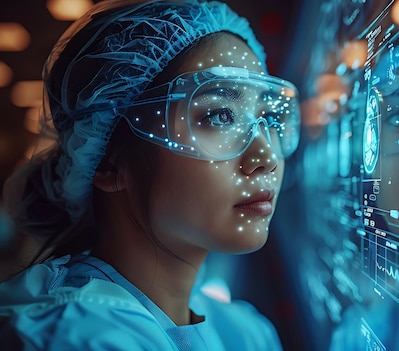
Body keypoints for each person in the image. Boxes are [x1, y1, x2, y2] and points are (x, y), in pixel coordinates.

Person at [0, 0, 300, 349]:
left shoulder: (243, 332)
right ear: (109, 163)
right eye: (219, 116)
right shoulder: (74, 337)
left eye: (270, 119)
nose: (266, 157)